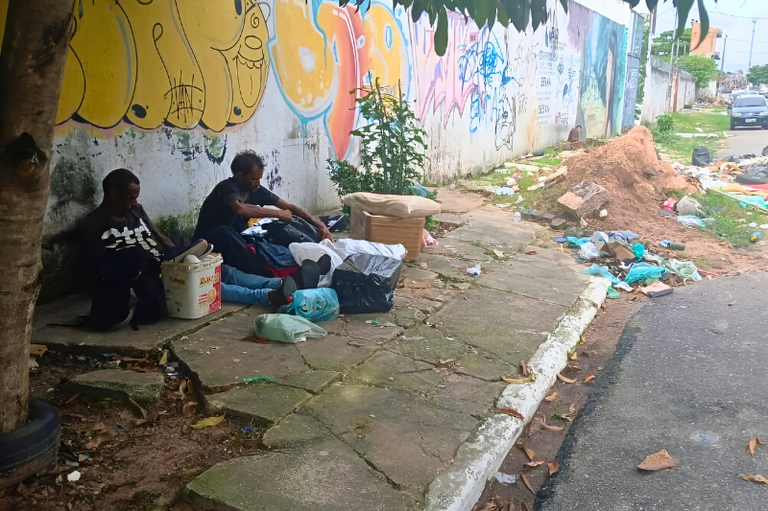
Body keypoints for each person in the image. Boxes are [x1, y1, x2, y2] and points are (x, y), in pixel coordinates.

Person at [193, 151, 332, 277]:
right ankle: (268, 273)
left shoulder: (255, 189)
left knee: (274, 232)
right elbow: (240, 209)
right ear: (240, 176)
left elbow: (289, 207)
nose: (258, 183)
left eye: (259, 179)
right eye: (254, 179)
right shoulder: (226, 188)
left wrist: (318, 224)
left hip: (237, 244)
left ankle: (299, 263)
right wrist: (277, 213)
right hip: (210, 245)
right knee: (224, 232)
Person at [79, 169, 174, 330]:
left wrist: (177, 254)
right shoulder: (94, 223)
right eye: (130, 198)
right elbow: (98, 268)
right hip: (135, 275)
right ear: (114, 195)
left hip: (160, 267)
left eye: (136, 198)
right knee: (137, 255)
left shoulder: (137, 211)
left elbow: (158, 236)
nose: (134, 202)